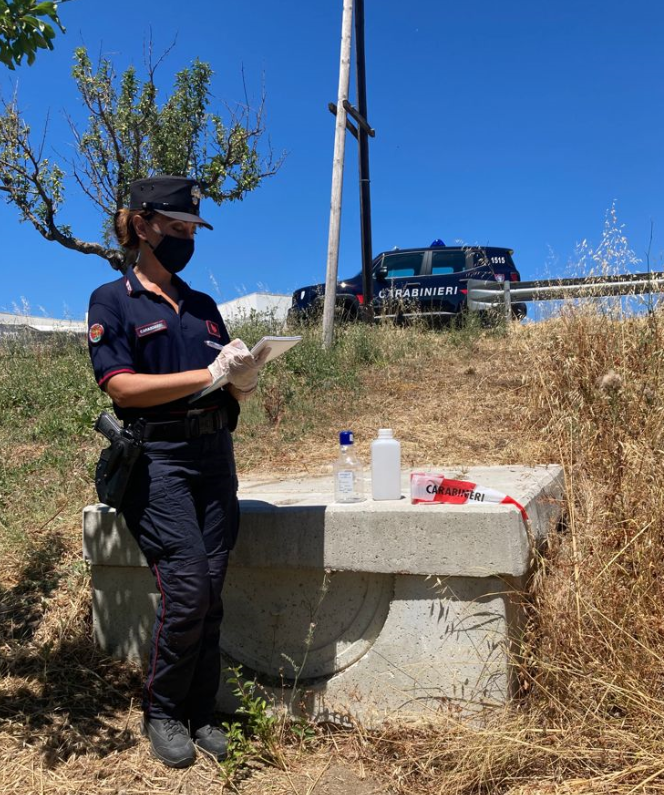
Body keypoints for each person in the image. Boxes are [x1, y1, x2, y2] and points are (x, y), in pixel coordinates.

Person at [87, 175, 268, 768]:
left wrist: (242, 377)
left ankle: (201, 709)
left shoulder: (202, 307)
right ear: (141, 225)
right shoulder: (111, 301)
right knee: (187, 587)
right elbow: (122, 387)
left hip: (215, 459)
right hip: (157, 462)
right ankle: (162, 709)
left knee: (210, 591)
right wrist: (208, 377)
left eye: (193, 230)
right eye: (176, 228)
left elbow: (228, 394)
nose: (187, 238)